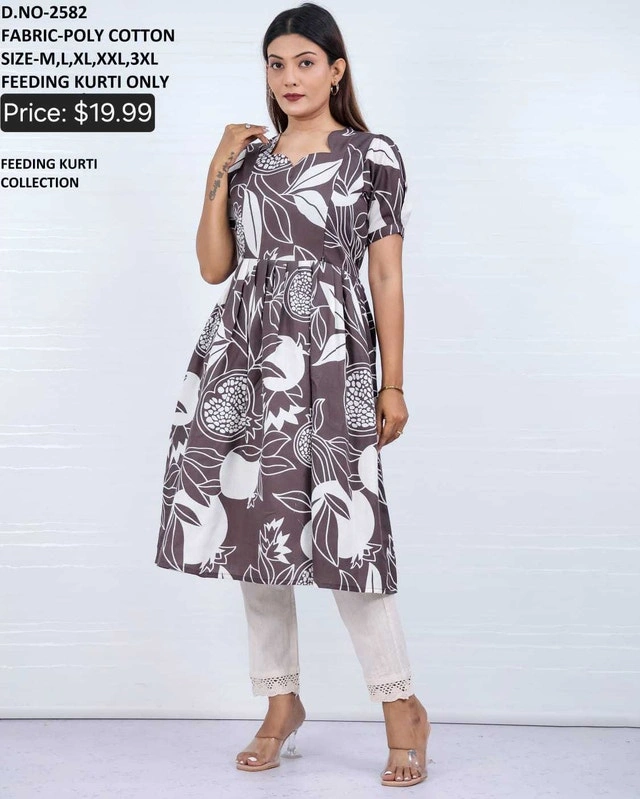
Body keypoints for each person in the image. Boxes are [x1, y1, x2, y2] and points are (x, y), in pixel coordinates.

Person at [154, 1, 431, 787]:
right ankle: (281, 702)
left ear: (336, 70)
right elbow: (215, 266)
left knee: (348, 534)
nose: (289, 78)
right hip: (243, 356)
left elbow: (386, 274)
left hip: (332, 356)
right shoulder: (249, 160)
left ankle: (401, 706)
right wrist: (217, 168)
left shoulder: (370, 155)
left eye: (305, 62)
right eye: (276, 64)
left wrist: (393, 381)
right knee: (254, 531)